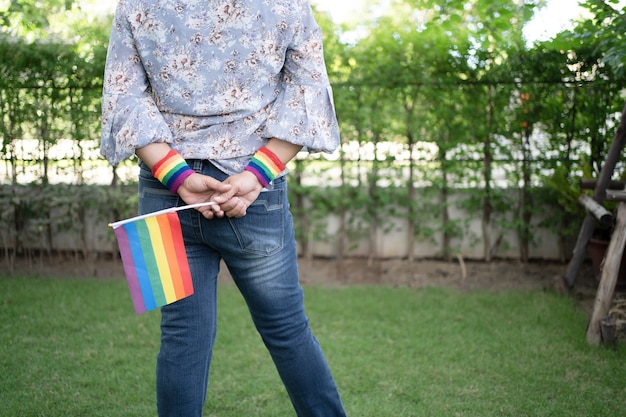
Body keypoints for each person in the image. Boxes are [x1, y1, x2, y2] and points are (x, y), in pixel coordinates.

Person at [100, 0, 347, 416]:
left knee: (180, 337)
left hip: (163, 193)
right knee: (287, 330)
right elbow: (307, 99)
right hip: (253, 191)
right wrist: (252, 178)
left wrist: (178, 178)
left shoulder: (137, 4)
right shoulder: (287, 4)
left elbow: (122, 99)